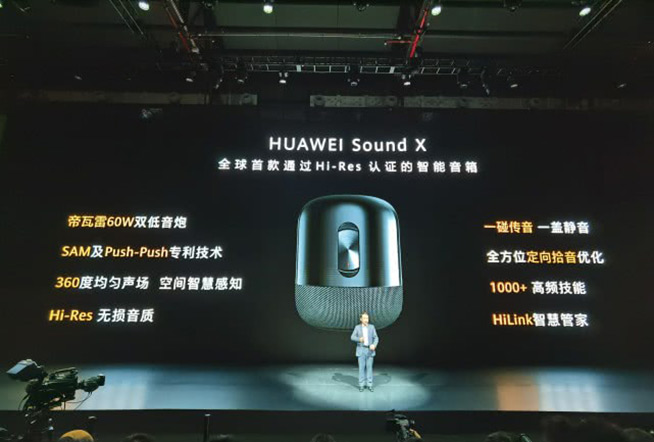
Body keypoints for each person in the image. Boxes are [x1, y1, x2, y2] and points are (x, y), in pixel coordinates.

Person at [350, 311, 379, 392]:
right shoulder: (357, 327)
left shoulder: (372, 327)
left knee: (369, 368)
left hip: (370, 350)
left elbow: (376, 338)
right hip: (361, 350)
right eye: (365, 318)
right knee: (361, 368)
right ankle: (361, 385)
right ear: (361, 319)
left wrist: (374, 345)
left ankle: (370, 384)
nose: (366, 320)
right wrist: (359, 339)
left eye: (367, 318)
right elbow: (352, 337)